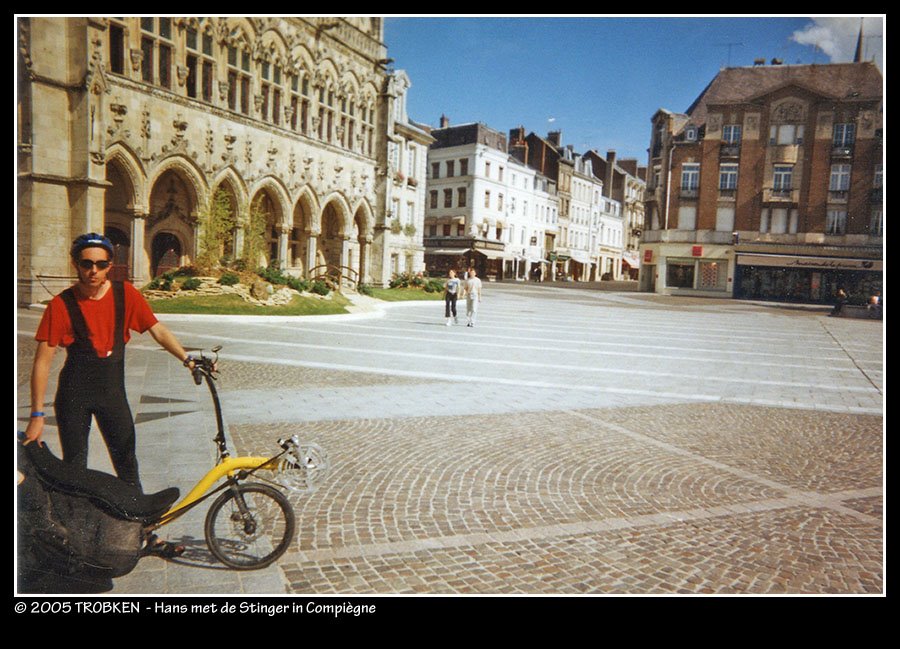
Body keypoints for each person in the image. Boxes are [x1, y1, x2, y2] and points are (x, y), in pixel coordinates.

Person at [24, 233, 198, 488]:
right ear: (76, 264)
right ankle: (77, 525)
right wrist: (37, 415)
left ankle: (139, 526)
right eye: (86, 264)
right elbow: (42, 362)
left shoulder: (125, 294)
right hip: (74, 393)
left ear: (110, 265)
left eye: (101, 264)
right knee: (74, 467)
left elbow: (157, 330)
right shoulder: (61, 304)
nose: (93, 271)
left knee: (127, 463)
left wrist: (188, 359)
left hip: (111, 392)